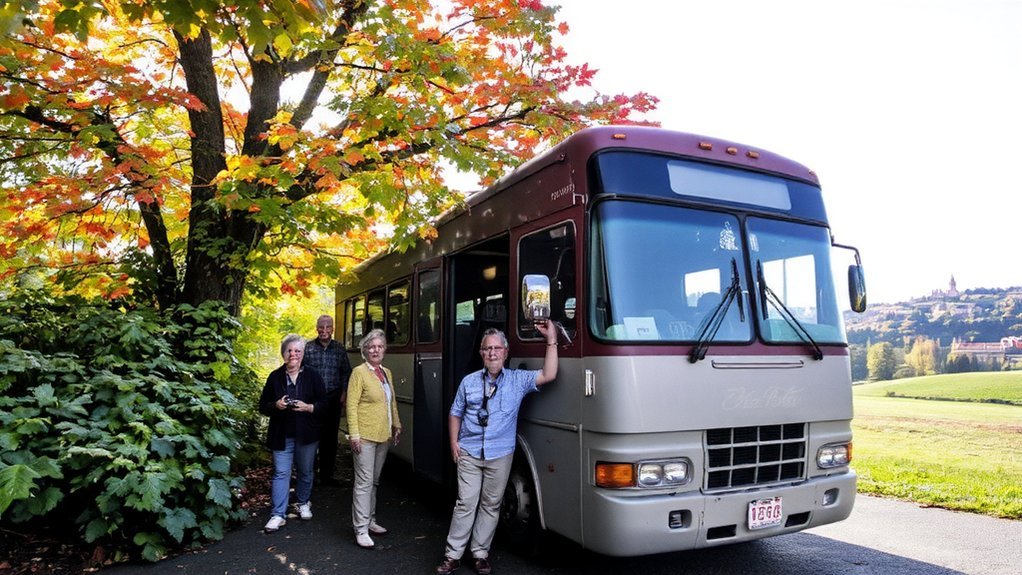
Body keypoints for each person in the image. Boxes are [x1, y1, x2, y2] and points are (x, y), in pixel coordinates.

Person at [435, 321, 558, 575]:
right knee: (465, 503)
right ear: (481, 353)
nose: (492, 353)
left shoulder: (517, 381)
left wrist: (551, 340)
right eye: (487, 349)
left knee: (491, 505)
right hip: (469, 451)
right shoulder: (469, 382)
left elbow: (549, 374)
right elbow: (455, 413)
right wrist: (454, 442)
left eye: (497, 348)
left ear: (506, 352)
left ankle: (480, 553)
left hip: (500, 454)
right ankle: (452, 555)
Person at [257, 334, 328, 533]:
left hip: (307, 433)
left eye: (297, 351)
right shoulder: (275, 376)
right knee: (281, 472)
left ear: (303, 354)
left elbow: (324, 404)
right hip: (281, 434)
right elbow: (263, 406)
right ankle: (277, 514)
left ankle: (303, 502)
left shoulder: (313, 376)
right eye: (289, 350)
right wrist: (276, 405)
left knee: (305, 471)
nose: (293, 354)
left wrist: (309, 407)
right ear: (283, 354)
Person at [346, 328, 402, 549]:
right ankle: (360, 529)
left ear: (384, 350)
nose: (376, 350)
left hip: (383, 435)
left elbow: (391, 402)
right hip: (365, 436)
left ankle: (370, 520)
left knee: (375, 481)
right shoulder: (359, 373)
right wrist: (354, 434)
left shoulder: (386, 372)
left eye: (380, 346)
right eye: (372, 347)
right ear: (365, 350)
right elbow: (351, 405)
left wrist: (396, 424)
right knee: (364, 482)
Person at [303, 314, 352, 487]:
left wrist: (344, 392)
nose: (324, 330)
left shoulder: (339, 349)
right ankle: (309, 474)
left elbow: (346, 372)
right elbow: (301, 371)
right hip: (313, 399)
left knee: (330, 438)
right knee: (312, 436)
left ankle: (327, 476)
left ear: (332, 329)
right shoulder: (308, 348)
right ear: (316, 328)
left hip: (333, 397)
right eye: (321, 327)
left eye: (328, 327)